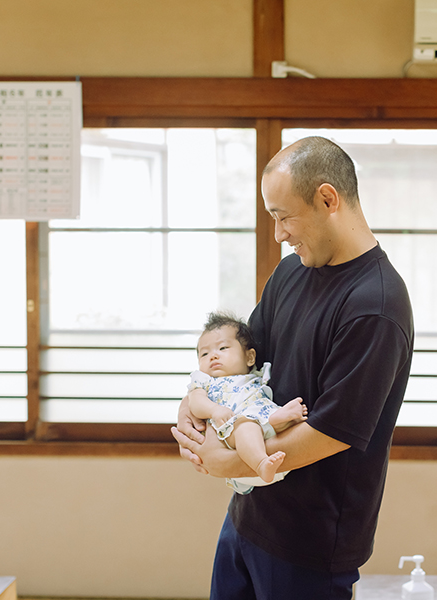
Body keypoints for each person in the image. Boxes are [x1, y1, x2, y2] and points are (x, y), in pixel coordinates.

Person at [172, 135, 414, 600]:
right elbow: (243, 361)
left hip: (311, 541)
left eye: (284, 216)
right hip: (249, 514)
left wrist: (225, 460)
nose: (279, 233)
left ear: (328, 199)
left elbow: (332, 430)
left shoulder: (376, 305)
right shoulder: (291, 272)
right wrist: (192, 402)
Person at [181, 311, 307, 494]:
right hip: (231, 426)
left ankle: (278, 420)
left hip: (261, 417)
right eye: (204, 353)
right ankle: (261, 462)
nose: (213, 356)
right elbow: (196, 403)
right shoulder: (204, 382)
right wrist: (214, 410)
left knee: (265, 419)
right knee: (246, 426)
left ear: (249, 357)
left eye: (223, 348)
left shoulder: (254, 375)